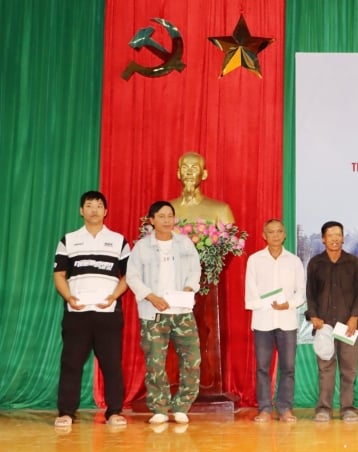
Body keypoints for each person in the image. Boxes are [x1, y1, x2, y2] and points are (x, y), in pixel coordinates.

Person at [53, 190, 130, 428]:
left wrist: (113, 297)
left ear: (106, 211)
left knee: (111, 364)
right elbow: (59, 275)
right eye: (89, 205)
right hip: (77, 313)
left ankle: (114, 411)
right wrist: (69, 297)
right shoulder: (69, 240)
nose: (94, 209)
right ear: (81, 210)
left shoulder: (118, 240)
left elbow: (129, 275)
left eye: (99, 205)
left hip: (108, 313)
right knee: (71, 363)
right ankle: (66, 412)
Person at [127, 201, 202, 424]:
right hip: (154, 312)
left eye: (170, 216)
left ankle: (182, 406)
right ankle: (159, 408)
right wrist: (151, 296)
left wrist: (189, 288)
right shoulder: (142, 247)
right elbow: (132, 276)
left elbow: (195, 270)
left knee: (192, 360)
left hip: (182, 311)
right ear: (152, 220)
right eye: (161, 216)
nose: (167, 220)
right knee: (155, 362)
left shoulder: (185, 244)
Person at [244, 219, 305, 423]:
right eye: (271, 232)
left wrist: (288, 304)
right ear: (264, 235)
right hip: (263, 320)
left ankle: (285, 408)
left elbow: (301, 292)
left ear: (285, 234)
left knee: (288, 367)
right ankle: (264, 409)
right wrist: (264, 303)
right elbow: (250, 290)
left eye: (279, 231)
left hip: (287, 320)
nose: (276, 235)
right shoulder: (254, 260)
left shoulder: (294, 261)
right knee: (263, 367)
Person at [306, 221, 358, 423]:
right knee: (325, 368)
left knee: (349, 369)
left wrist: (354, 317)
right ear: (323, 239)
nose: (334, 238)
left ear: (343, 238)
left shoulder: (353, 263)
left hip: (348, 326)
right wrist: (313, 315)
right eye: (330, 235)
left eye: (338, 235)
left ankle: (348, 408)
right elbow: (310, 293)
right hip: (324, 325)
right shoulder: (316, 263)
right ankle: (323, 408)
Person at [170, 151, 235, 224]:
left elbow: (228, 234)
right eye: (184, 168)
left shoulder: (221, 210)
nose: (189, 173)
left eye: (194, 168)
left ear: (204, 174)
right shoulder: (165, 210)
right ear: (178, 174)